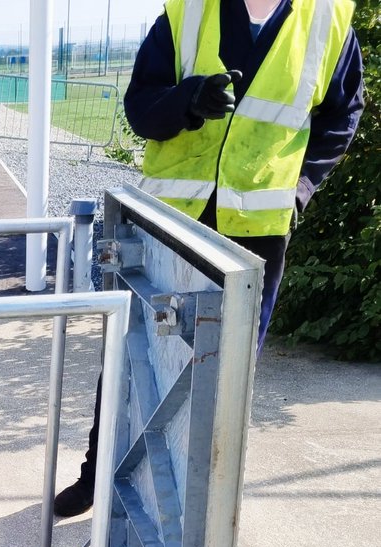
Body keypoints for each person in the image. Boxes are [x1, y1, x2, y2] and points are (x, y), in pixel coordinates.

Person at [54, 0, 364, 519]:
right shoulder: (184, 14)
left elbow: (341, 116)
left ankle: (198, 506)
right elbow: (140, 110)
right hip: (173, 221)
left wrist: (302, 188)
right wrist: (186, 100)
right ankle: (98, 474)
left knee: (228, 373)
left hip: (256, 235)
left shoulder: (329, 21)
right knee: (134, 356)